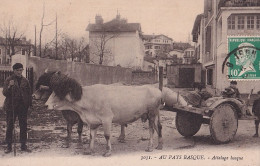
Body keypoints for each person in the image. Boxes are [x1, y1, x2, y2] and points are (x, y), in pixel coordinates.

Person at [2, 63, 32, 153]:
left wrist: (29, 105)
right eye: (18, 70)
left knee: (23, 125)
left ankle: (23, 145)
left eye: (21, 70)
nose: (19, 72)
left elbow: (29, 93)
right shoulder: (9, 80)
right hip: (11, 106)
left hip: (23, 107)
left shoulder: (25, 81)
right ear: (14, 71)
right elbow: (5, 93)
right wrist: (9, 86)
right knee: (10, 126)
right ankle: (9, 146)